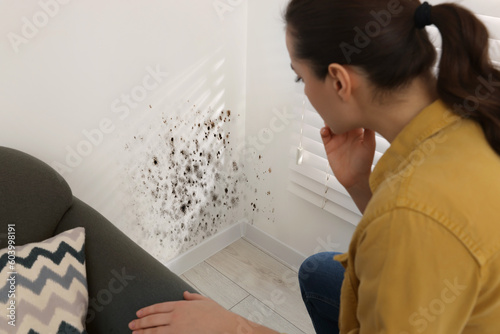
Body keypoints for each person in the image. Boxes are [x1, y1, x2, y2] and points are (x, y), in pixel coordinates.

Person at [128, 0, 500, 333]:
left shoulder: (413, 215)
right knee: (318, 271)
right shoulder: (473, 110)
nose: (303, 89)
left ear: (339, 80)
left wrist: (235, 327)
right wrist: (357, 182)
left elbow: (416, 227)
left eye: (300, 76)